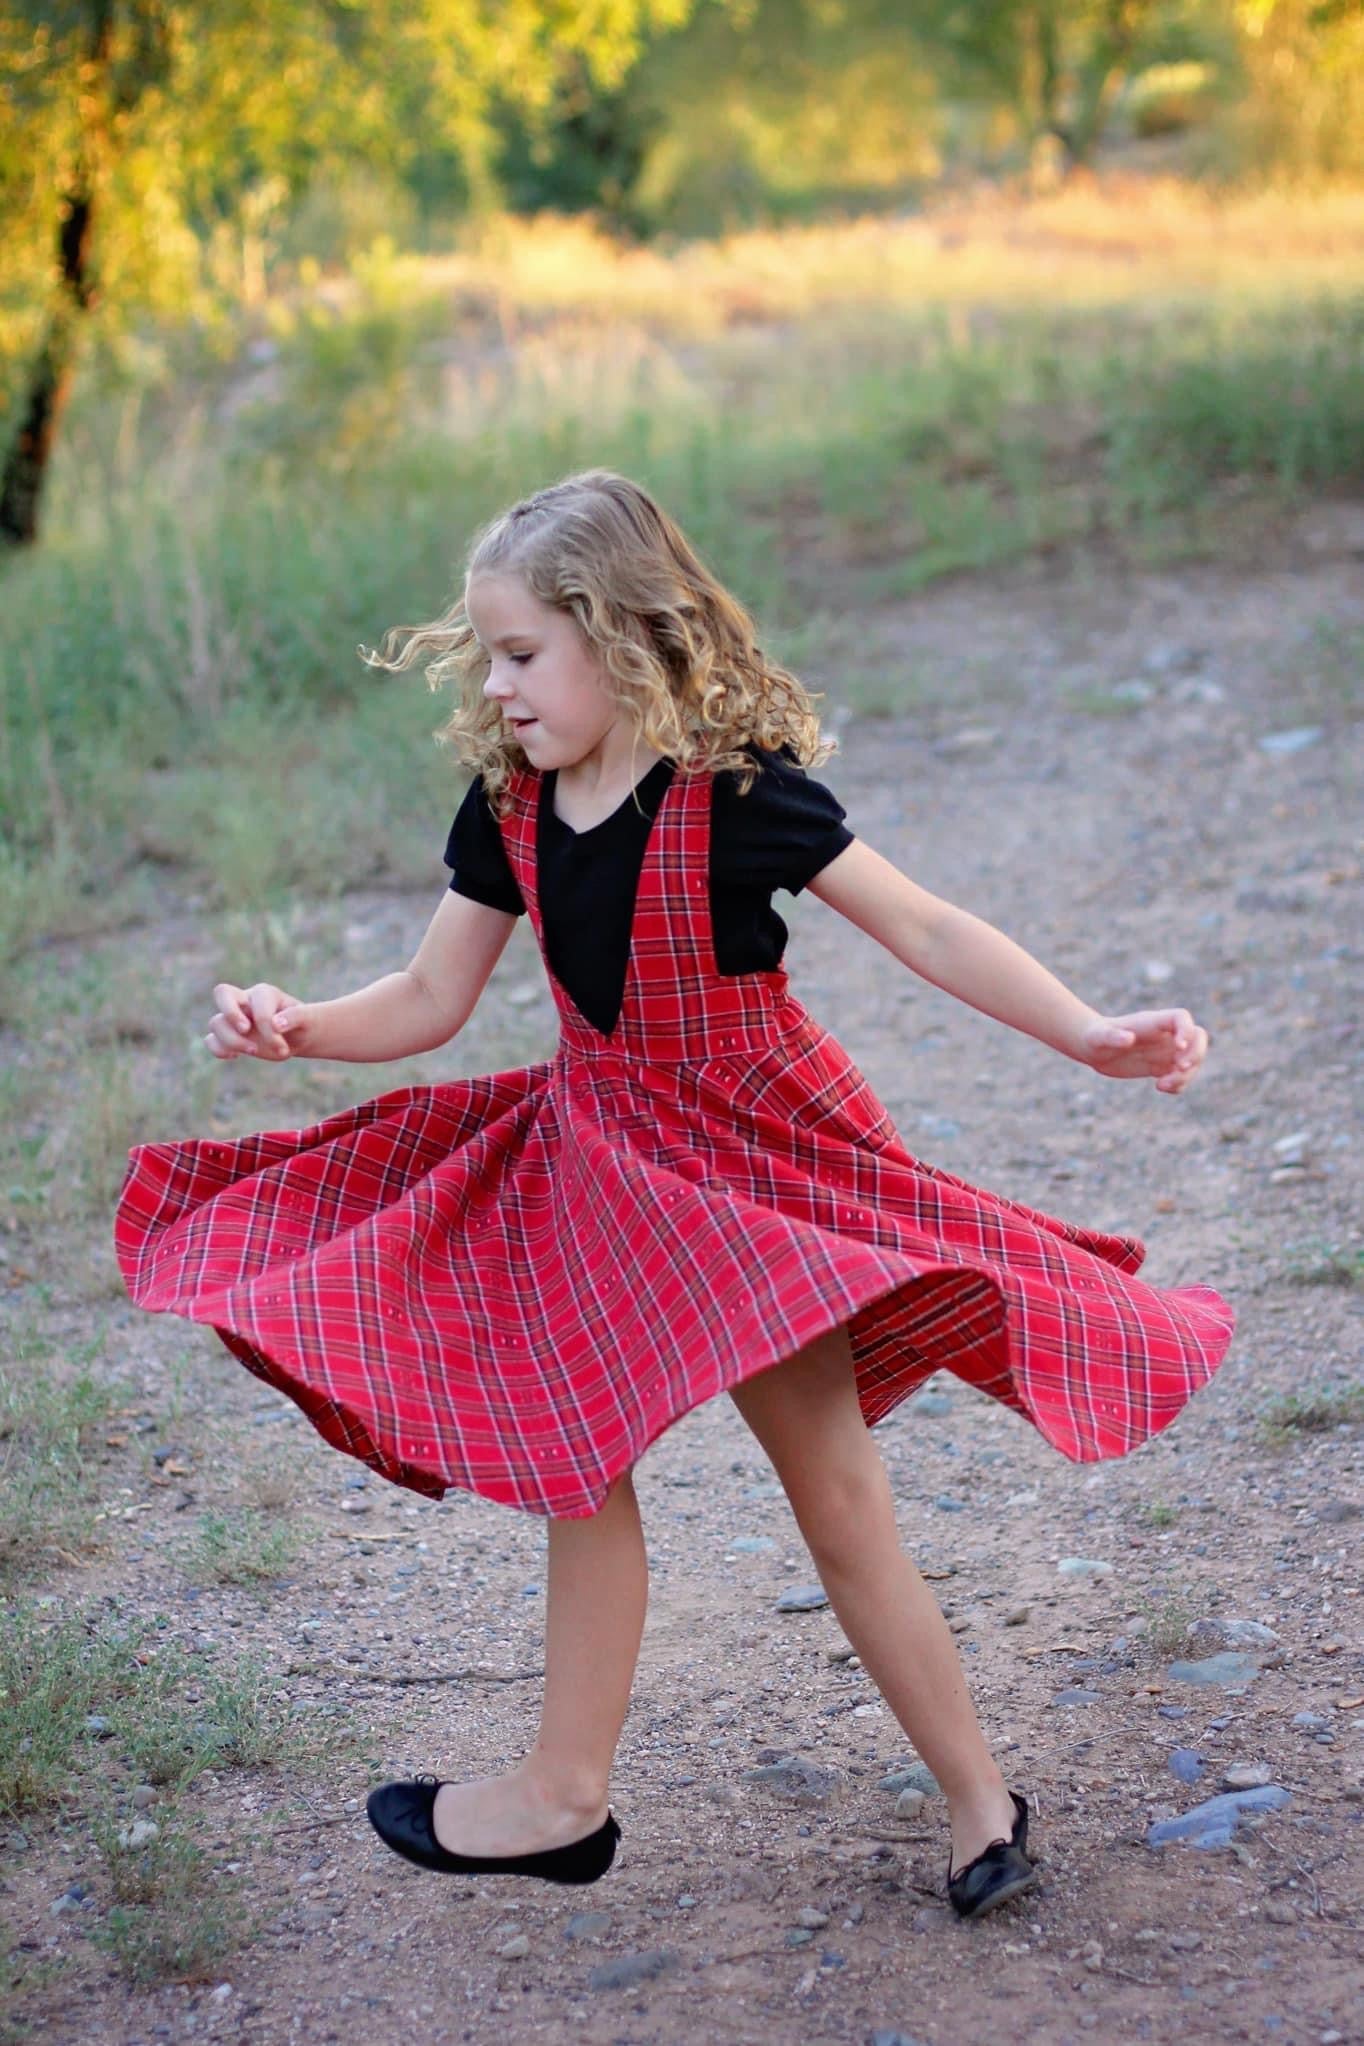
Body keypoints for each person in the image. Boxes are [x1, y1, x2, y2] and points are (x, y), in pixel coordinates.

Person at [114, 470, 1234, 1922]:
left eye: (522, 654)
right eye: (488, 659)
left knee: (834, 1496)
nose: (499, 687)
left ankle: (978, 1799)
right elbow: (427, 994)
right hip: (602, 1163)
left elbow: (929, 925)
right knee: (578, 1458)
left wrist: (1087, 1030)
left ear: (621, 632)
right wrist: (297, 1021)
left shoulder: (743, 795)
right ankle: (561, 1795)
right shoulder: (510, 805)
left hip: (754, 1170)